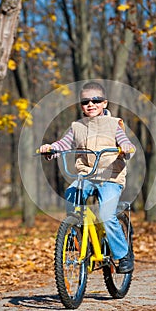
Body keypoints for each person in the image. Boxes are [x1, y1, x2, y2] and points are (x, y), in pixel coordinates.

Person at [40, 81, 135, 273]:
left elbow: (125, 141)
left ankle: (123, 255)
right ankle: (76, 235)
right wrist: (51, 149)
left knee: (107, 215)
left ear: (104, 103)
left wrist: (126, 149)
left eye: (96, 100)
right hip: (87, 176)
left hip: (111, 177)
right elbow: (64, 143)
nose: (90, 104)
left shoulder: (114, 124)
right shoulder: (77, 127)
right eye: (85, 102)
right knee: (71, 194)